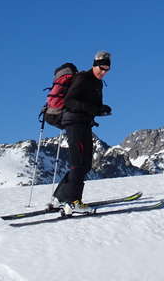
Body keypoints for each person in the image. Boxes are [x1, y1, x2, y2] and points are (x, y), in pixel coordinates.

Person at [52, 50, 113, 214]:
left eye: (107, 69)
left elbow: (89, 104)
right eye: (101, 68)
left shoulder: (97, 83)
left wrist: (101, 110)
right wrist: (93, 109)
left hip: (84, 123)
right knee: (78, 162)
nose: (103, 72)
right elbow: (69, 101)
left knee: (85, 164)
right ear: (95, 65)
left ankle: (60, 198)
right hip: (73, 122)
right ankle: (73, 202)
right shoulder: (83, 78)